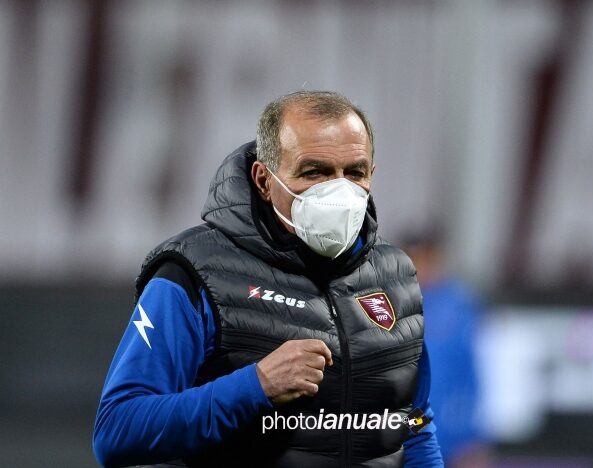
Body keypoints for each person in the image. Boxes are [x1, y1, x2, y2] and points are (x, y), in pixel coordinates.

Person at [93, 91, 444, 467]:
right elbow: (117, 430)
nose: (340, 190)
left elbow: (414, 425)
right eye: (314, 172)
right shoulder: (193, 274)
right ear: (263, 179)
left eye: (355, 172)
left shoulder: (395, 275)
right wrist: (255, 385)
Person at [402, 227, 492, 468]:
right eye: (412, 259)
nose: (418, 267)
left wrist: (472, 436)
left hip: (457, 431)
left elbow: (476, 371)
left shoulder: (460, 305)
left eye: (424, 258)